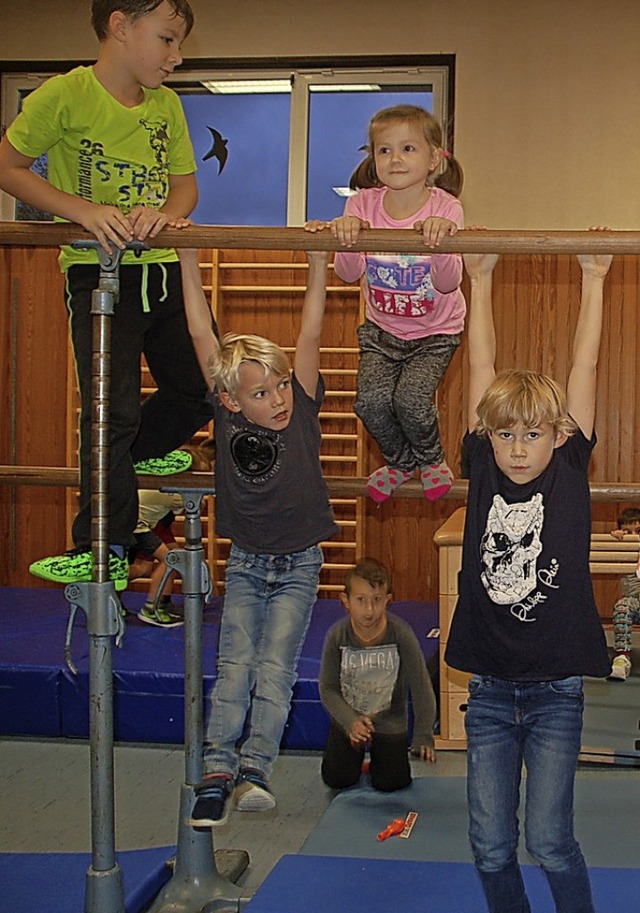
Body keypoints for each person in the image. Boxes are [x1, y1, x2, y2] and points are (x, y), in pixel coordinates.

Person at [0, 0, 215, 592]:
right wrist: (86, 212)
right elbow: (10, 165)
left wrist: (163, 215)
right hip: (100, 276)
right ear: (120, 25)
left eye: (180, 46)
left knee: (203, 388)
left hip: (163, 270)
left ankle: (132, 459)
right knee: (109, 414)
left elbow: (185, 188)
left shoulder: (166, 105)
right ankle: (104, 544)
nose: (175, 58)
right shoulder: (65, 96)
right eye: (167, 41)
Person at [444, 246, 612, 913]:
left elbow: (585, 365)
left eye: (533, 434)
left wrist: (593, 277)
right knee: (489, 843)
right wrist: (478, 277)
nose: (518, 447)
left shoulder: (569, 466)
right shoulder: (483, 463)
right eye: (506, 433)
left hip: (554, 693)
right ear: (489, 435)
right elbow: (480, 366)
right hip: (487, 691)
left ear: (560, 434)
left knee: (549, 837)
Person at [176, 246, 338, 827]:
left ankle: (255, 770)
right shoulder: (226, 419)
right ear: (229, 401)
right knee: (235, 665)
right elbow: (201, 332)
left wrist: (319, 263)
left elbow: (311, 330)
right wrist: (188, 258)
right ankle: (217, 772)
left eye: (281, 386)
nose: (277, 400)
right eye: (261, 393)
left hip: (299, 565)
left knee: (274, 670)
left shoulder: (302, 409)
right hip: (245, 562)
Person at [306, 104, 465, 503]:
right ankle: (399, 462)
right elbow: (346, 274)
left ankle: (431, 460)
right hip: (382, 330)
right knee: (370, 403)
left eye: (408, 149)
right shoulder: (361, 205)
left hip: (435, 331)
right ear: (372, 158)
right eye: (384, 150)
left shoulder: (445, 207)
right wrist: (347, 234)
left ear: (433, 159)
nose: (395, 159)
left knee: (410, 401)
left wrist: (443, 240)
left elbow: (448, 283)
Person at [319, 557, 436, 793]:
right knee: (338, 779)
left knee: (392, 783)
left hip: (389, 721)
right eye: (361, 601)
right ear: (346, 601)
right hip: (350, 721)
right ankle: (354, 756)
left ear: (387, 601)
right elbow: (328, 688)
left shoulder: (401, 634)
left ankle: (379, 762)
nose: (369, 610)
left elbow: (421, 685)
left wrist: (423, 735)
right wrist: (349, 720)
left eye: (377, 600)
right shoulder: (337, 636)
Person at [127, 438, 216, 626]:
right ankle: (153, 607)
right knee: (173, 560)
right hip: (137, 526)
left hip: (140, 524)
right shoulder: (175, 493)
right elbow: (194, 508)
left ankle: (160, 602)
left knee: (149, 565)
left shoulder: (168, 484)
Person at [608, 507, 640, 680]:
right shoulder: (623, 549)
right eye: (628, 532)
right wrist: (617, 539)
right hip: (635, 602)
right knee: (622, 606)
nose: (634, 536)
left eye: (638, 531)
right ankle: (622, 658)